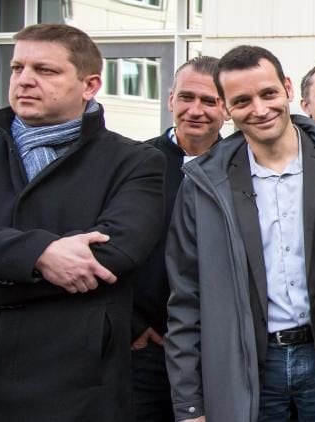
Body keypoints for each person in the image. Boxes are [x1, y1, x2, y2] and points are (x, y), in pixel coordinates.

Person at [0, 23, 166, 421]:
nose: (25, 81)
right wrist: (41, 253)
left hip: (73, 384)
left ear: (90, 85)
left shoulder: (134, 162)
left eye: (45, 71)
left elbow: (112, 257)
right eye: (17, 68)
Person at [164, 45, 315, 422]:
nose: (260, 109)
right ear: (225, 107)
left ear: (286, 88)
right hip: (247, 368)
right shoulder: (203, 185)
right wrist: (190, 405)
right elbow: (185, 299)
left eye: (268, 94)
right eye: (242, 100)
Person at [131, 55, 226, 422]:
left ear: (226, 109)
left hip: (216, 346)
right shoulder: (134, 163)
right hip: (145, 347)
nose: (195, 110)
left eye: (209, 100)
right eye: (187, 97)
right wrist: (132, 325)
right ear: (170, 99)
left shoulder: (244, 169)